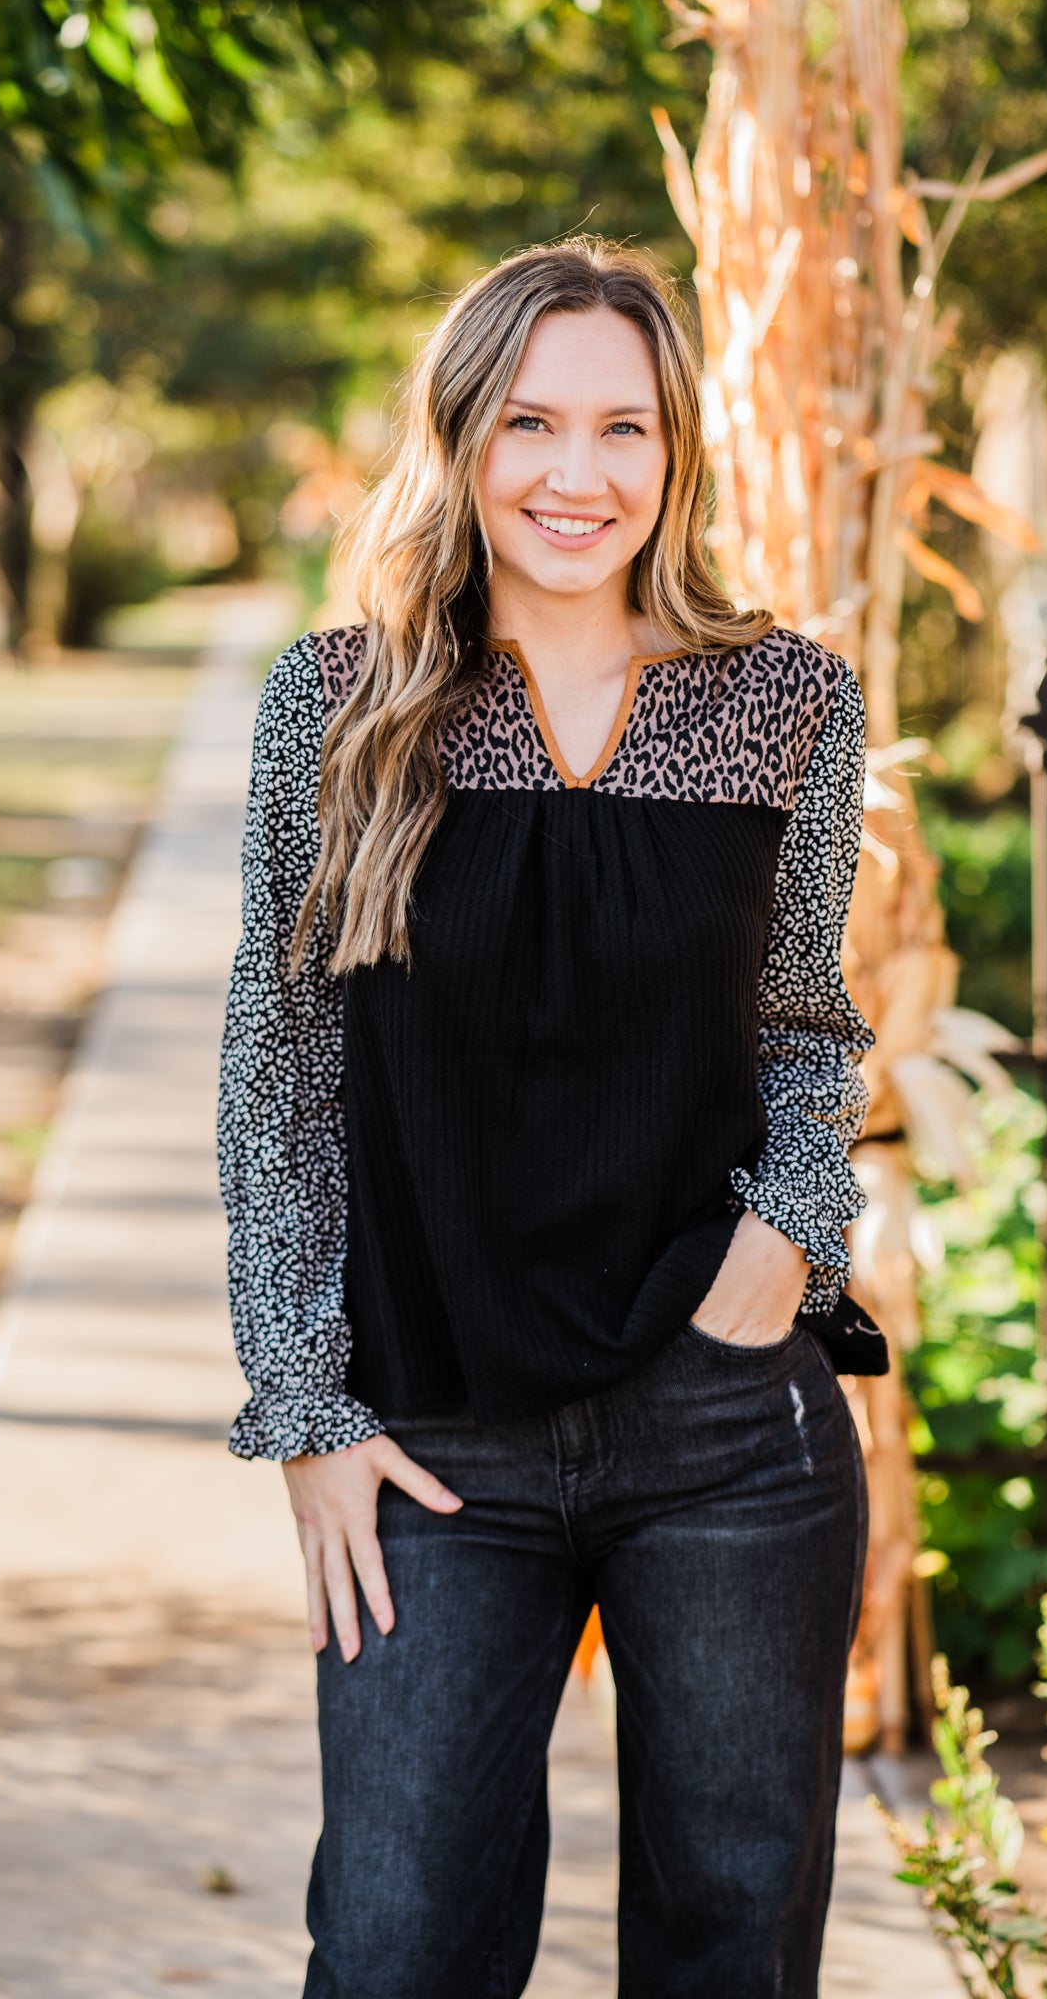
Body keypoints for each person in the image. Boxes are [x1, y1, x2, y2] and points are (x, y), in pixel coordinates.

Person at [217, 236, 888, 1999]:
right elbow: (276, 1076)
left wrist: (786, 1235)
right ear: (459, 438)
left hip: (728, 1427)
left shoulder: (784, 705)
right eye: (529, 424)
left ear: (675, 458)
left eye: (623, 430)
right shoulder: (340, 710)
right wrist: (304, 1407)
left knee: (727, 1947)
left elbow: (808, 1031)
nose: (574, 477)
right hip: (433, 1439)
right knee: (392, 1948)